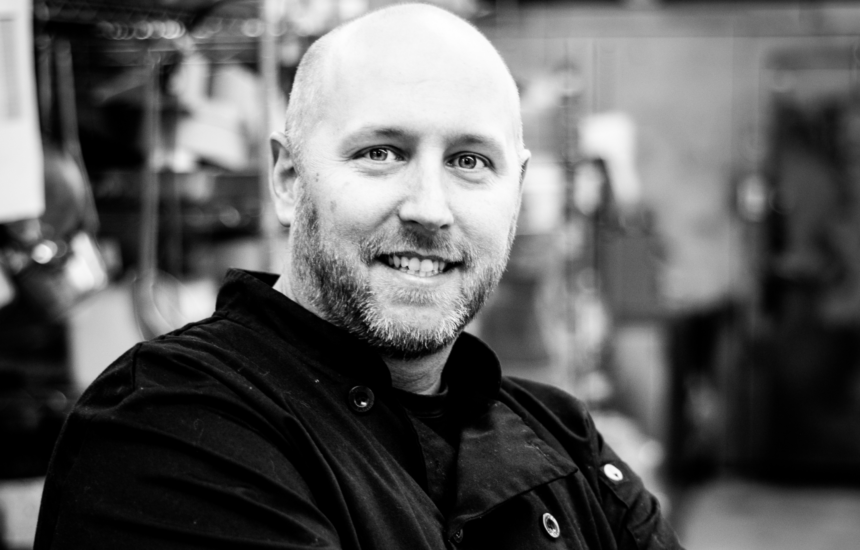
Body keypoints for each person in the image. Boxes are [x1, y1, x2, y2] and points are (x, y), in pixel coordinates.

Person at [35, 4, 683, 549]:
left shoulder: (562, 430)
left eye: (469, 160)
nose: (430, 208)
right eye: (381, 153)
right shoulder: (170, 430)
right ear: (288, 181)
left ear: (515, 190)